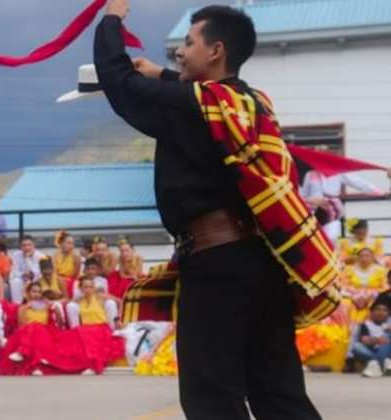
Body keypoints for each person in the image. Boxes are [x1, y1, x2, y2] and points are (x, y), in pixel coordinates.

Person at [95, 2, 337, 418]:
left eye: (189, 43)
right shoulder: (252, 103)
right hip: (265, 262)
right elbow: (200, 98)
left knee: (211, 395)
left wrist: (111, 19)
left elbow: (120, 84)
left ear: (215, 51)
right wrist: (165, 76)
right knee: (278, 392)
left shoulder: (192, 105)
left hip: (217, 265)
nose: (180, 52)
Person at [301, 171, 387, 245]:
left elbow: (357, 182)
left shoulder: (338, 173)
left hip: (331, 210)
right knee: (312, 238)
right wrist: (311, 200)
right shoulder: (310, 174)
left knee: (330, 238)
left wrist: (378, 192)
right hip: (313, 210)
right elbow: (303, 195)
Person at [0, 281, 64, 376]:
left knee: (37, 328)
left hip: (45, 334)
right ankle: (37, 365)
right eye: (34, 291)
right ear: (28, 293)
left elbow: (60, 324)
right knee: (34, 327)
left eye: (39, 292)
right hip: (27, 334)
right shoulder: (22, 308)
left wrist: (56, 310)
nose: (36, 294)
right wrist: (27, 308)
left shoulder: (48, 306)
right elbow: (22, 326)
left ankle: (24, 353)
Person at [341, 248, 389, 327]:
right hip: (352, 295)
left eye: (367, 256)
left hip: (373, 296)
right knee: (344, 303)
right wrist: (354, 297)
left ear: (372, 257)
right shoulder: (348, 269)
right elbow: (342, 285)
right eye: (361, 256)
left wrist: (371, 296)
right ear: (357, 258)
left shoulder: (381, 271)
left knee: (375, 304)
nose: (364, 258)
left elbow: (385, 287)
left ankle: (370, 329)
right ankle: (346, 329)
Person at [351, 301, 391, 378]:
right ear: (371, 312)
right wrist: (378, 340)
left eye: (384, 310)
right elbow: (365, 340)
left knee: (388, 337)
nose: (381, 312)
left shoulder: (388, 327)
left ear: (388, 313)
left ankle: (375, 365)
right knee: (356, 347)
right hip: (372, 350)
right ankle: (379, 362)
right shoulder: (365, 325)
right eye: (378, 309)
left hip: (387, 352)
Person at [9, 235, 45, 303]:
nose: (27, 247)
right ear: (21, 247)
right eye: (24, 245)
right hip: (21, 278)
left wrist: (27, 259)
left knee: (30, 282)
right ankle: (17, 305)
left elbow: (39, 272)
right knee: (15, 281)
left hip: (36, 279)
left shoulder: (41, 256)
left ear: (34, 246)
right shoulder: (16, 255)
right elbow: (14, 271)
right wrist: (23, 274)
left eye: (29, 245)